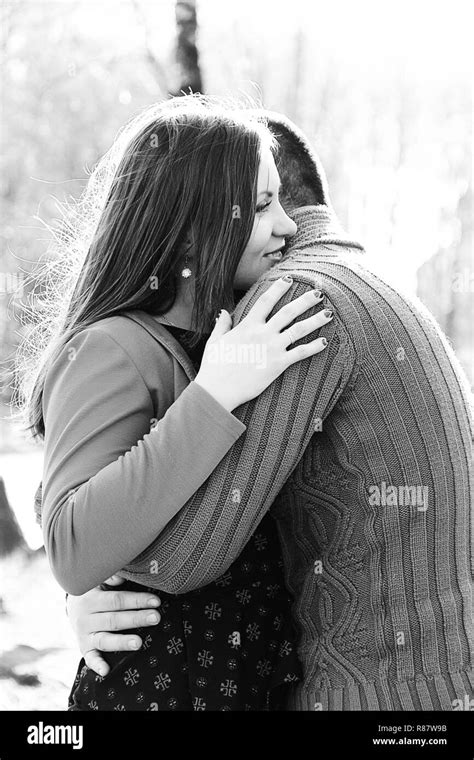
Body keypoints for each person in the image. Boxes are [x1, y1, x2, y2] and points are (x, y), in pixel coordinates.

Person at [64, 110, 473, 711]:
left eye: (273, 201)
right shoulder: (363, 279)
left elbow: (185, 555)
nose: (277, 225)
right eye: (258, 206)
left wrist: (96, 583)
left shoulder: (300, 299)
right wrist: (82, 578)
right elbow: (89, 495)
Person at [26, 96, 336, 710]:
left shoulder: (210, 341)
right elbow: (71, 545)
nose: (289, 226)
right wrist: (214, 395)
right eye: (261, 206)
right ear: (194, 230)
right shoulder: (110, 347)